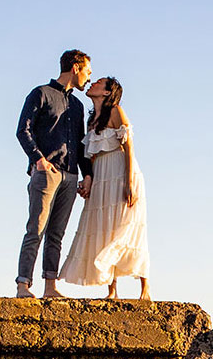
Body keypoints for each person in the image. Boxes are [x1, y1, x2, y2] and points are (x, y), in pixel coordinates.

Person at [59, 77, 150, 300]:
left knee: (127, 225)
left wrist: (129, 182)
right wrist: (88, 179)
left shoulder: (116, 111)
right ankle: (112, 289)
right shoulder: (91, 121)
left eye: (98, 83)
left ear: (108, 92)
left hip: (120, 171)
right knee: (104, 226)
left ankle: (145, 288)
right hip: (101, 174)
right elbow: (88, 156)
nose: (92, 84)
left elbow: (129, 147)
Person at [15, 50, 94, 298]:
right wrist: (38, 159)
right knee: (36, 229)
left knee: (56, 234)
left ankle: (50, 287)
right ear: (75, 67)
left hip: (70, 175)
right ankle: (23, 285)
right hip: (46, 171)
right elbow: (23, 130)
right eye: (87, 72)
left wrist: (87, 174)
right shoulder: (40, 94)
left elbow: (81, 145)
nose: (89, 78)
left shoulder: (78, 105)